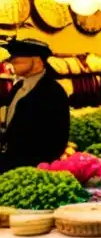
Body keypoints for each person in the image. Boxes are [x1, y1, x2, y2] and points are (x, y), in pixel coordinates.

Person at [0, 39, 70, 172]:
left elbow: (58, 138)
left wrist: (41, 167)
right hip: (9, 163)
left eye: (20, 57)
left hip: (33, 167)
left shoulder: (53, 92)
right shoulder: (18, 87)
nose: (13, 61)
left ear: (37, 61)